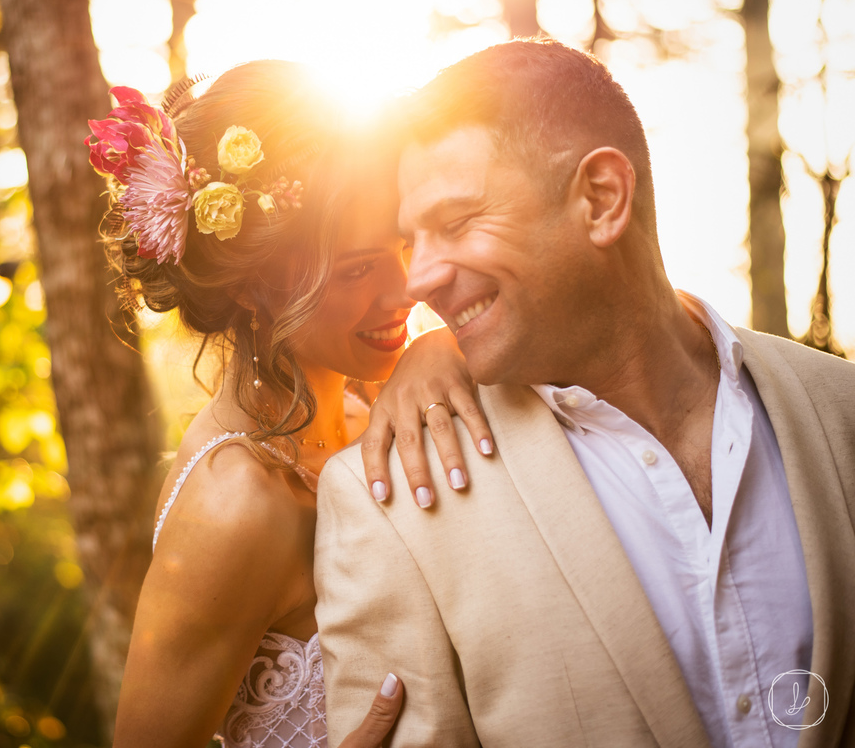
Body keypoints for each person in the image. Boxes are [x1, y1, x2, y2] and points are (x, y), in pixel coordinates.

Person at [315, 39, 855, 747]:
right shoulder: (388, 501)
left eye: (454, 223)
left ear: (601, 198)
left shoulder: (838, 409)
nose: (416, 280)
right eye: (412, 240)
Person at [87, 61, 494, 748]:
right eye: (358, 269)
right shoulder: (239, 506)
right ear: (251, 288)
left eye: (401, 246)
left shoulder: (370, 405)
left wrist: (439, 352)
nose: (408, 290)